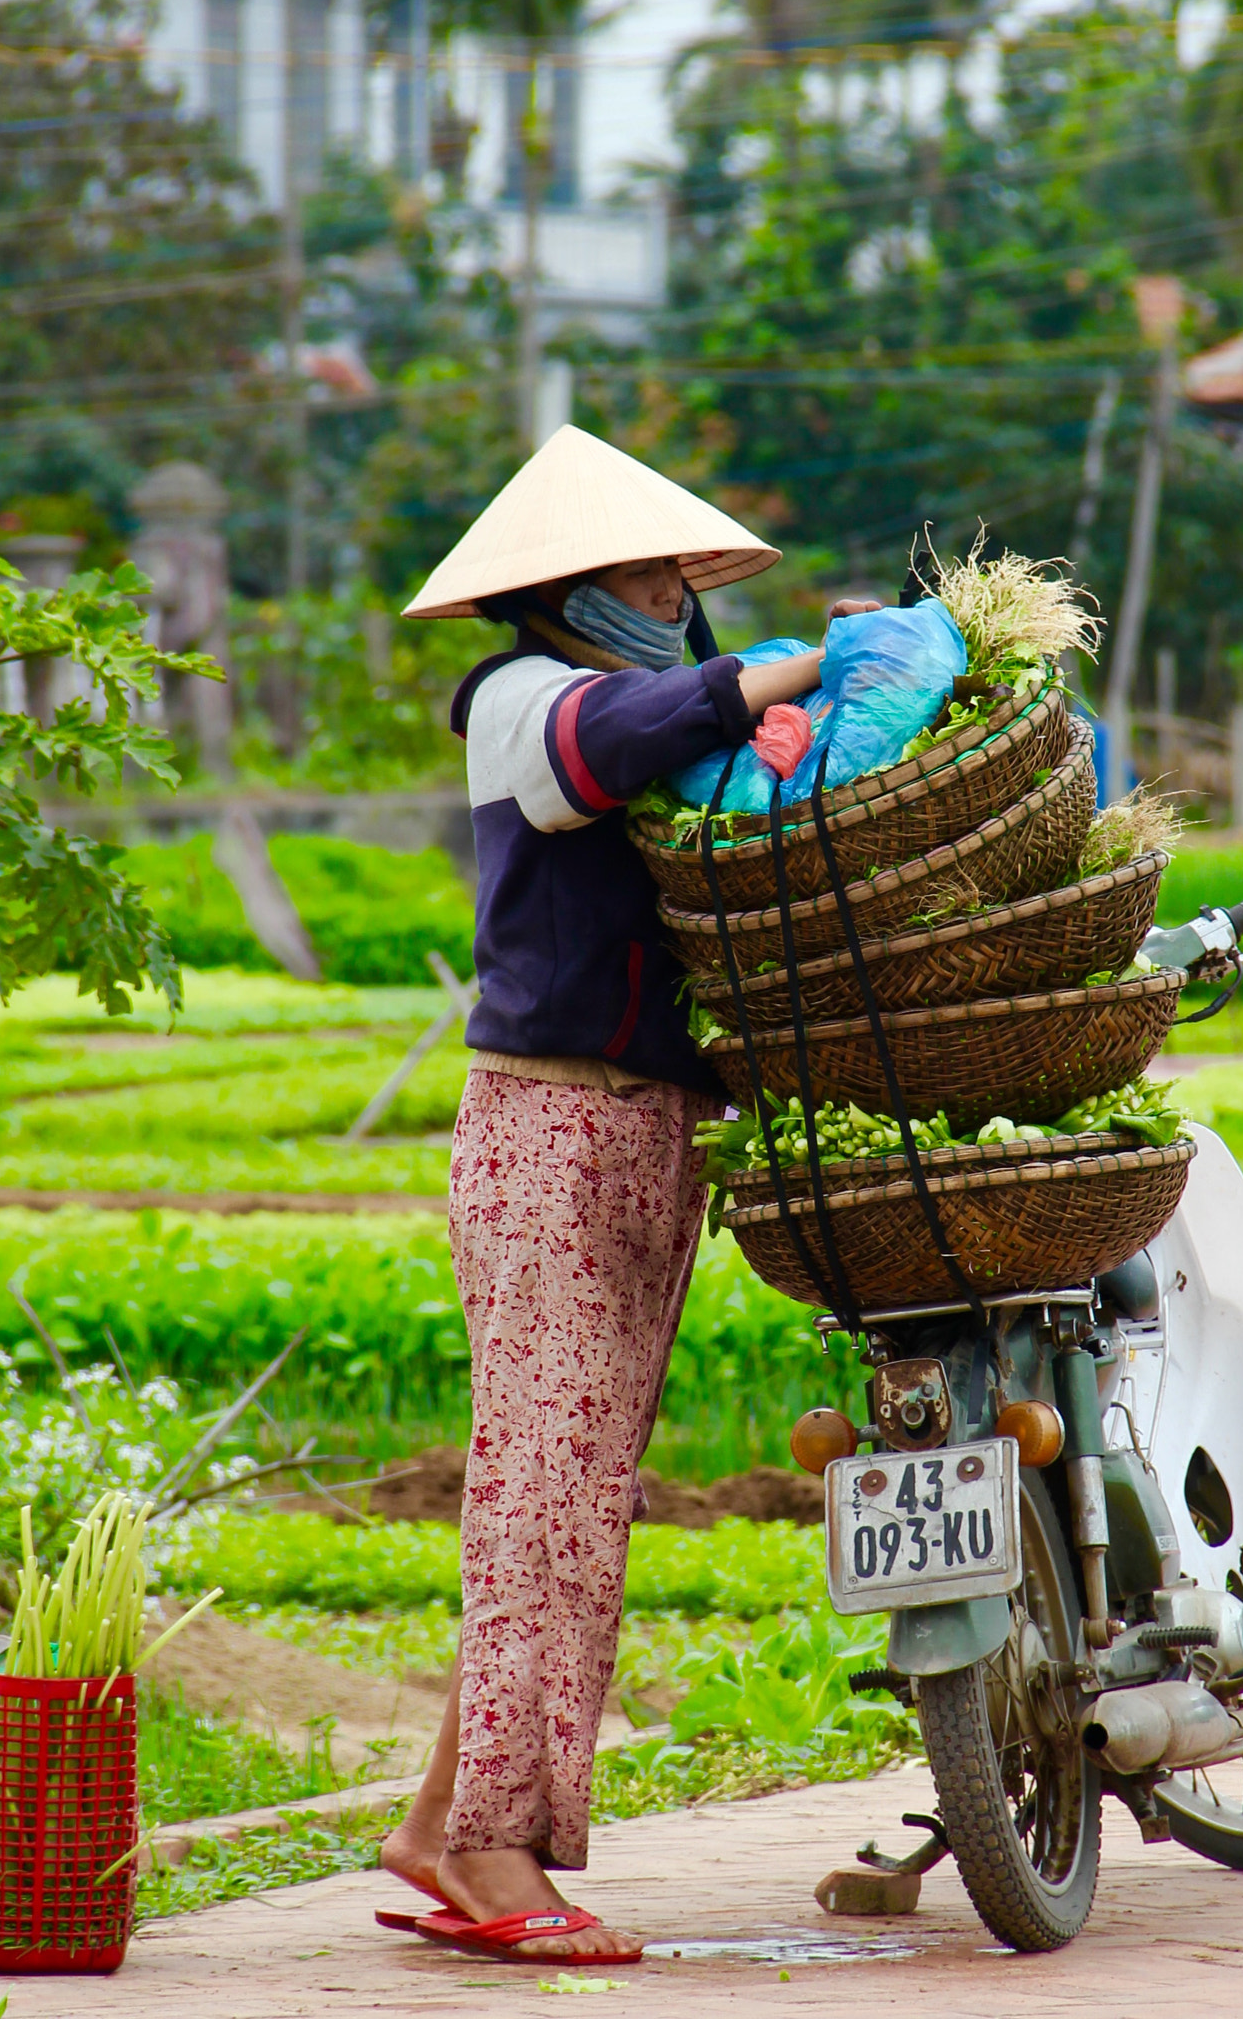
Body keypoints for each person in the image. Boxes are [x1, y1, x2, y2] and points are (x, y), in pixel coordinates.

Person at [377, 426, 875, 1964]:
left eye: (680, 574)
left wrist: (794, 722)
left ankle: (441, 1823)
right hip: (550, 1134)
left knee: (569, 1492)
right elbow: (607, 746)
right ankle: (494, 1849)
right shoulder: (521, 704)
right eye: (650, 572)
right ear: (575, 589)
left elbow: (697, 761)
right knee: (545, 1496)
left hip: (655, 1136)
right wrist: (770, 676)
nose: (674, 592)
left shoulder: (665, 712)